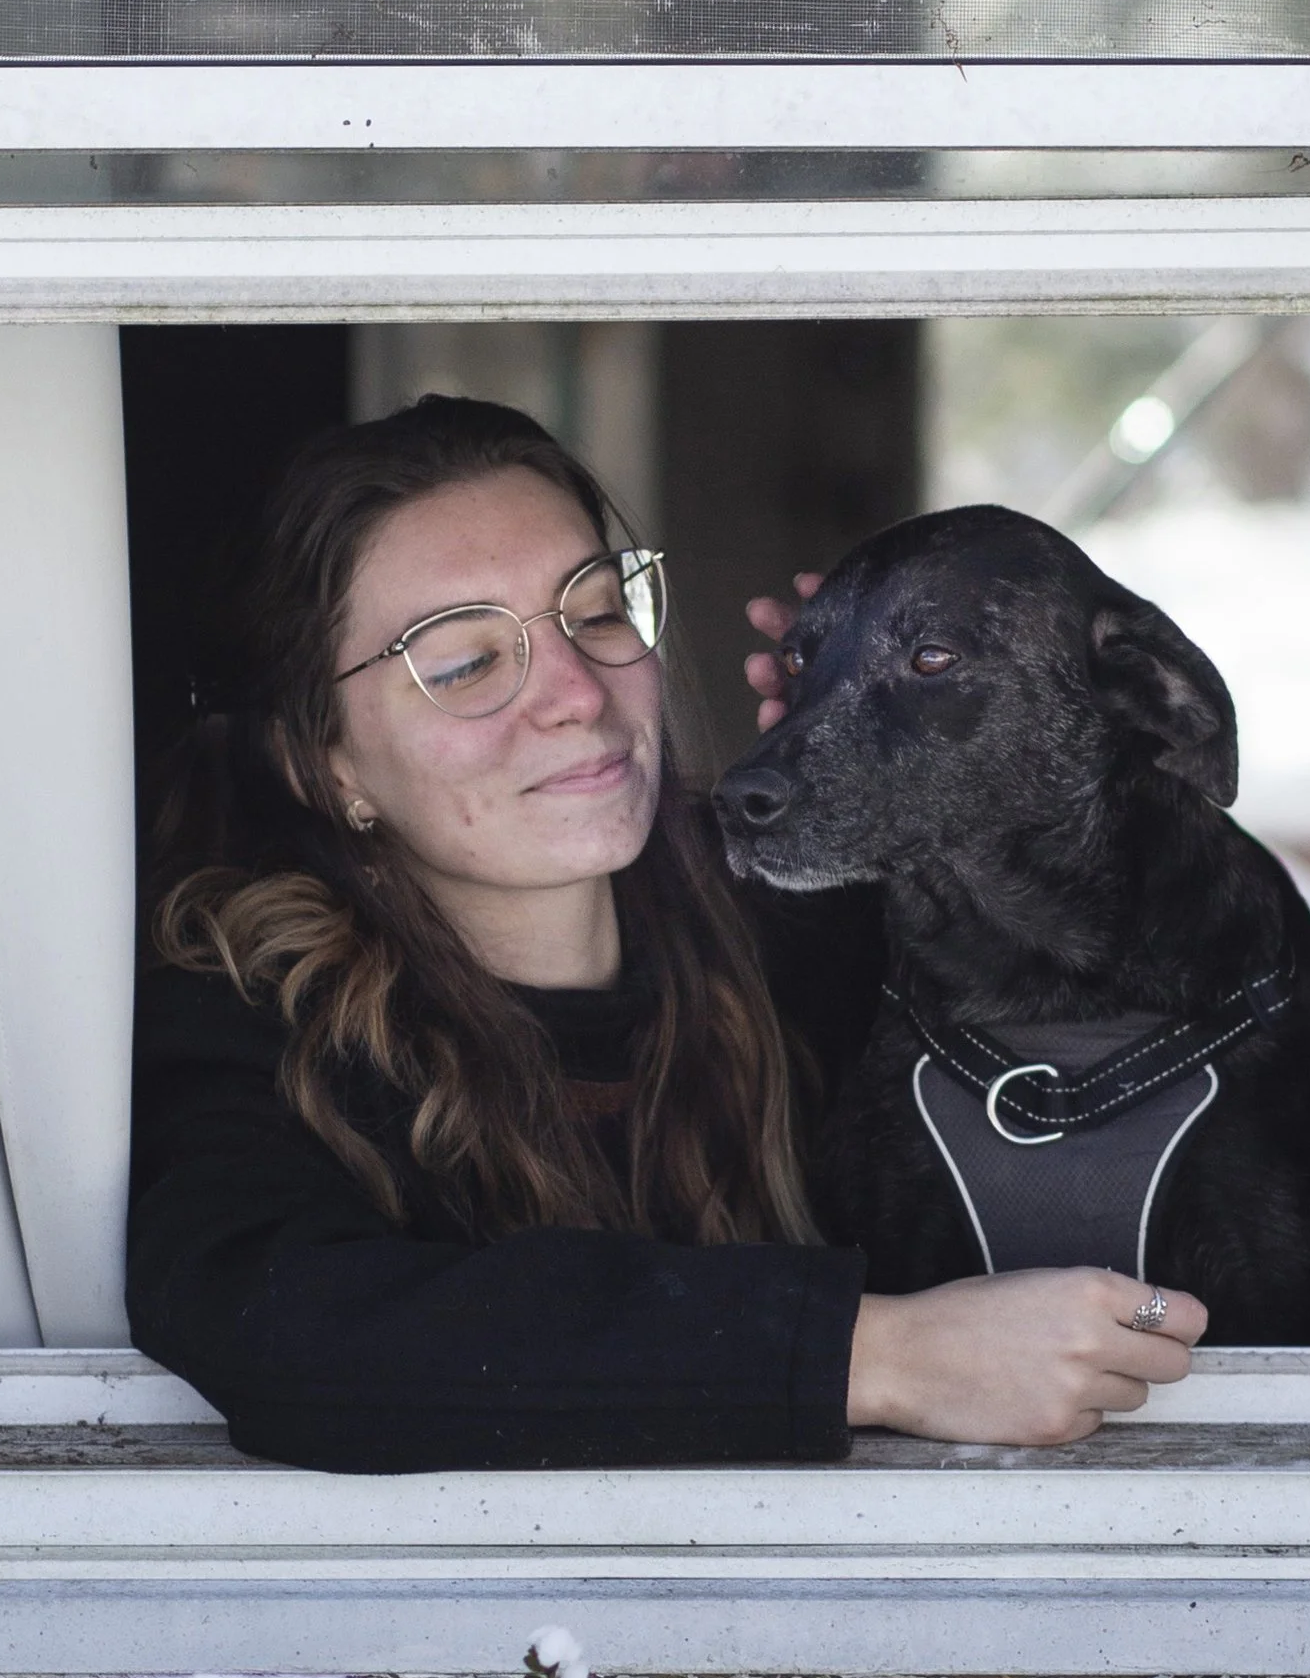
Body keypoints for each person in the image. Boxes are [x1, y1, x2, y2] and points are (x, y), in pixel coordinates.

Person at [128, 394, 1204, 1469]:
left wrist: (928, 764)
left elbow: (1178, 983)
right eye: (463, 664)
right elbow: (291, 1326)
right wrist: (875, 1355)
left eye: (596, 613)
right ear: (325, 768)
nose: (574, 693)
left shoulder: (810, 943)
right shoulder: (249, 1023)